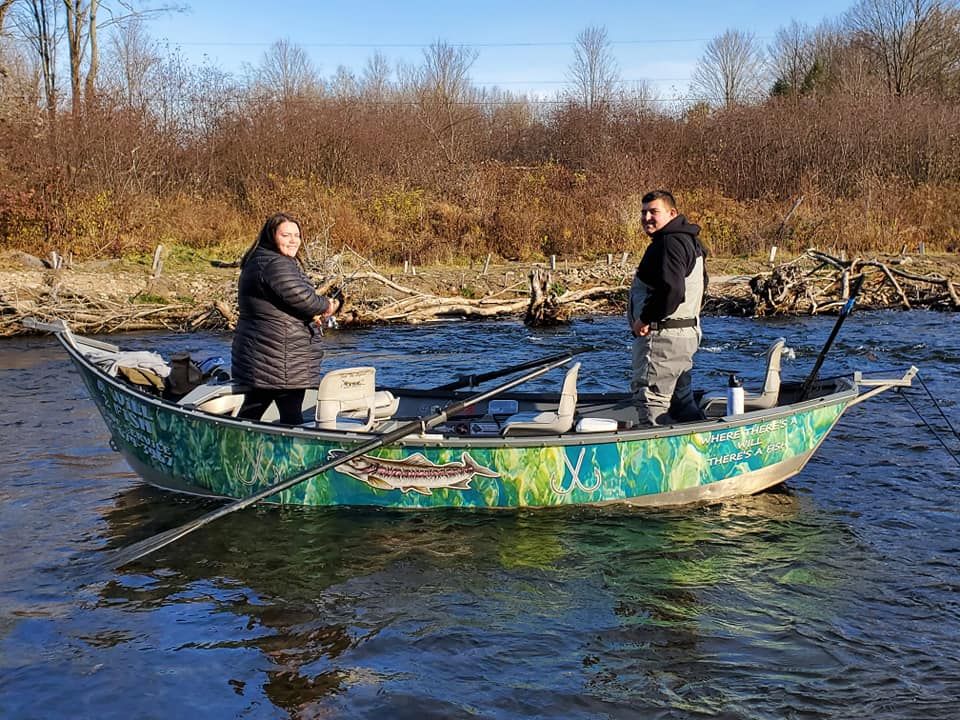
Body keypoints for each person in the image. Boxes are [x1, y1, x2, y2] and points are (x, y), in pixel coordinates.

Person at [231, 212, 341, 424]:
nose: (293, 240)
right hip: (279, 354)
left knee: (256, 407)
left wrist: (310, 314)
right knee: (289, 412)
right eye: (286, 235)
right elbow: (303, 299)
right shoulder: (275, 263)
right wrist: (328, 305)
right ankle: (295, 445)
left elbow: (283, 302)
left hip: (267, 353)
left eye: (296, 235)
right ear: (271, 236)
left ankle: (233, 441)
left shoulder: (261, 259)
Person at [627, 190, 708, 426]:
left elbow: (673, 290)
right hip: (686, 335)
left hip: (663, 339)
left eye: (654, 212)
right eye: (643, 212)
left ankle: (653, 449)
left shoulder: (668, 243)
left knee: (651, 401)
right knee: (681, 402)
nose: (646, 218)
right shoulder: (690, 241)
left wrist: (645, 318)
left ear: (672, 213)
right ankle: (702, 443)